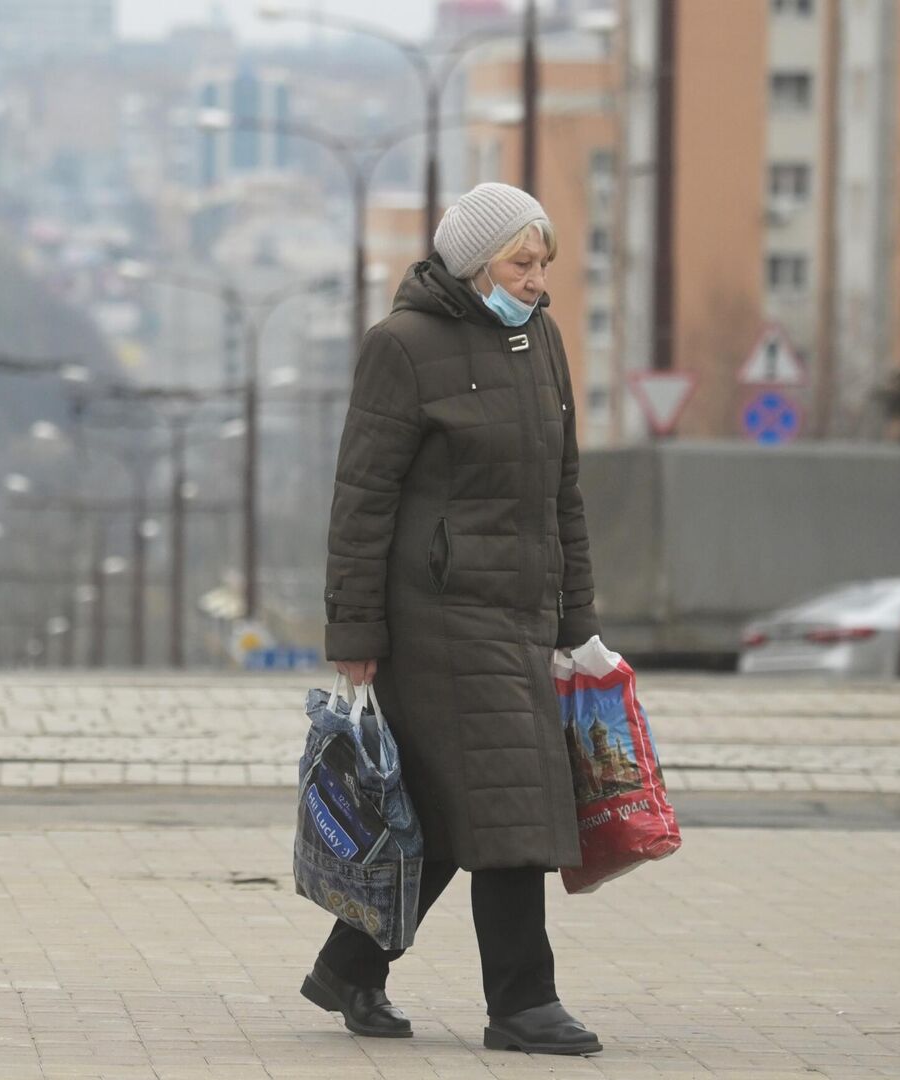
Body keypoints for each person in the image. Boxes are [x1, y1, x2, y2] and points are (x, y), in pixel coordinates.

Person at [307, 182, 602, 1056]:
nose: (539, 279)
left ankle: (349, 967)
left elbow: (564, 494)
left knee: (438, 812)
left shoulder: (540, 341)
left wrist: (577, 622)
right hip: (435, 615)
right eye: (522, 262)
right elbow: (362, 499)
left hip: (519, 610)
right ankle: (523, 1005)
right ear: (474, 265)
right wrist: (354, 637)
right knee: (511, 800)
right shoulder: (402, 347)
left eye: (545, 262)